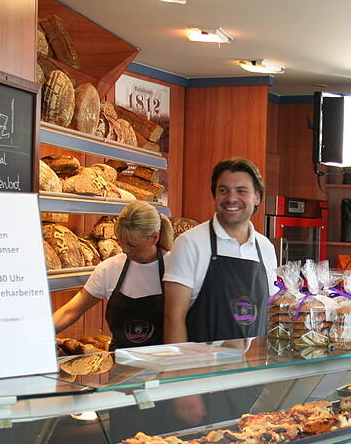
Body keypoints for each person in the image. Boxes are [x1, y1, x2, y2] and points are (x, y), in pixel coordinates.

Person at [162, 158, 278, 425]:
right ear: (214, 195)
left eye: (241, 190)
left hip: (249, 377)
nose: (231, 198)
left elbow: (267, 314)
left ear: (257, 197)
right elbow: (173, 319)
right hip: (201, 382)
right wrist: (185, 388)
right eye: (223, 190)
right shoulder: (191, 243)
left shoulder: (265, 248)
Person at [52, 201, 173, 349]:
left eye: (132, 245)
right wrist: (38, 335)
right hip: (120, 366)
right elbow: (70, 312)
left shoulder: (175, 267)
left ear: (154, 238)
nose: (125, 250)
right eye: (121, 243)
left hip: (165, 366)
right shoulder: (109, 269)